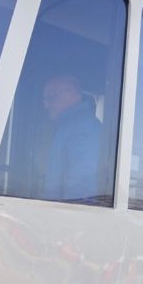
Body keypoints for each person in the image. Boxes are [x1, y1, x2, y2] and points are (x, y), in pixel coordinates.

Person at [41, 74, 101, 202]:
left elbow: (83, 183)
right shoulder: (69, 127)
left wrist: (68, 215)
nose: (46, 105)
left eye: (50, 98)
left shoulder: (84, 127)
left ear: (72, 94)